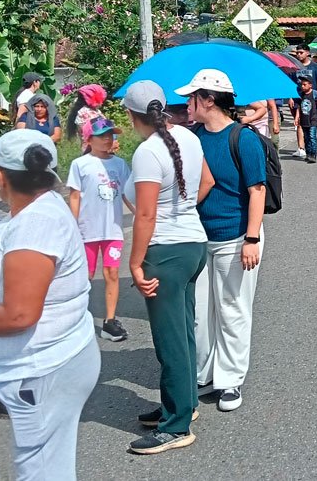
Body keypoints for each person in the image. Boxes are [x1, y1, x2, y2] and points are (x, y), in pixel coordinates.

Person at [0, 129, 100, 479]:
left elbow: (20, 314)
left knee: (42, 472)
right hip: (42, 367)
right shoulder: (32, 212)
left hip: (40, 371)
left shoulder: (36, 224)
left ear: (0, 176)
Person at [123, 80, 214, 454]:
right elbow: (207, 181)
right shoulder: (188, 137)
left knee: (170, 338)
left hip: (165, 251)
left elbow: (145, 213)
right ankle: (182, 404)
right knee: (184, 332)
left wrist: (135, 262)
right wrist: (183, 211)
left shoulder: (147, 152)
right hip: (193, 243)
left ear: (132, 115)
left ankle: (176, 426)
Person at [176, 69, 267, 413]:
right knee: (200, 311)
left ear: (208, 100)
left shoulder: (243, 138)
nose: (187, 104)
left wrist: (251, 238)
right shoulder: (191, 137)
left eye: (192, 98)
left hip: (236, 237)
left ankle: (230, 380)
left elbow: (256, 190)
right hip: (200, 238)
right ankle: (205, 373)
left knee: (232, 309)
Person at [66, 117, 134, 342]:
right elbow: (74, 196)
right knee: (85, 276)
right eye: (102, 135)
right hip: (87, 232)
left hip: (113, 230)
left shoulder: (120, 165)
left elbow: (127, 194)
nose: (108, 139)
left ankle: (110, 321)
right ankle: (77, 320)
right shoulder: (80, 164)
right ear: (89, 139)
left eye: (110, 134)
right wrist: (73, 226)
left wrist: (140, 215)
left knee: (112, 272)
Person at [292, 45, 317, 158]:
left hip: (312, 99)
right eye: (297, 53)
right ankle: (301, 148)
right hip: (298, 98)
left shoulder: (315, 66)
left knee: (310, 124)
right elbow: (291, 83)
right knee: (299, 122)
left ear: (307, 53)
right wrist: (291, 97)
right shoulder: (295, 67)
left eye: (301, 52)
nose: (298, 55)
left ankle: (311, 150)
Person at [294, 74, 317, 164]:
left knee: (312, 136)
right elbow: (298, 107)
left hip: (313, 119)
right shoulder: (301, 95)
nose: (302, 86)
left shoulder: (315, 94)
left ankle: (313, 155)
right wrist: (297, 117)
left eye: (304, 84)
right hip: (303, 120)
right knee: (306, 137)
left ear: (310, 85)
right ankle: (308, 154)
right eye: (301, 84)